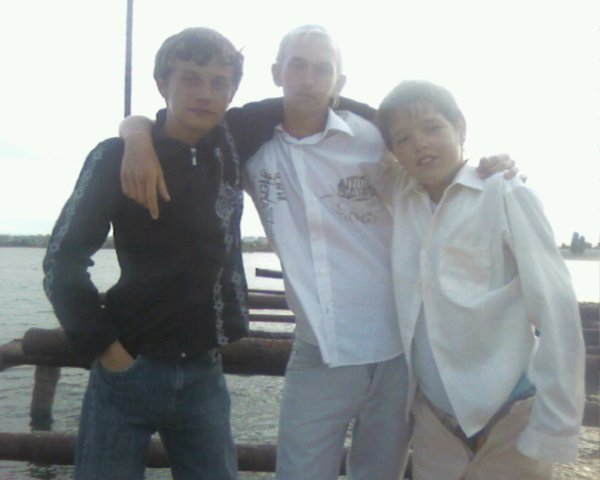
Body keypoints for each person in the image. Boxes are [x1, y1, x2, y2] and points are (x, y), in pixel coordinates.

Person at [118, 25, 517, 480]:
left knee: (380, 473)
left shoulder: (373, 137)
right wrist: (135, 135)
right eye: (298, 66)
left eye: (322, 70)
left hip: (399, 349)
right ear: (277, 73)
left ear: (338, 82)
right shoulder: (243, 143)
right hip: (318, 351)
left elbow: (431, 161)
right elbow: (172, 122)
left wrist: (482, 168)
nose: (308, 79)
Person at [43, 27, 253, 480]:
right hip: (128, 368)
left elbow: (316, 103)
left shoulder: (231, 147)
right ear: (162, 84)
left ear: (232, 92)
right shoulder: (114, 157)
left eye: (219, 82)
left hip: (205, 373)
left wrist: (135, 127)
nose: (205, 93)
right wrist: (107, 351)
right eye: (190, 78)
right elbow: (62, 261)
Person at [368, 79, 585, 480]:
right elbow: (325, 111)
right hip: (434, 421)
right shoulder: (400, 197)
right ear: (393, 151)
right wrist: (325, 92)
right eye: (403, 138)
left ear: (461, 128)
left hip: (511, 414)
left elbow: (555, 306)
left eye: (432, 127)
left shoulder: (503, 192)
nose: (420, 144)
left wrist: (555, 423)